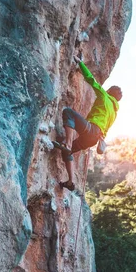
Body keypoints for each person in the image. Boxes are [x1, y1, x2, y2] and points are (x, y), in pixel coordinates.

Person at [54, 55, 122, 191]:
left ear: (109, 92)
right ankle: (70, 182)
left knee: (68, 112)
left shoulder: (104, 96)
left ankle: (67, 143)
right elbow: (106, 129)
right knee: (67, 152)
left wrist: (81, 64)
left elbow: (92, 81)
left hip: (91, 129)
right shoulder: (114, 113)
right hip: (94, 139)